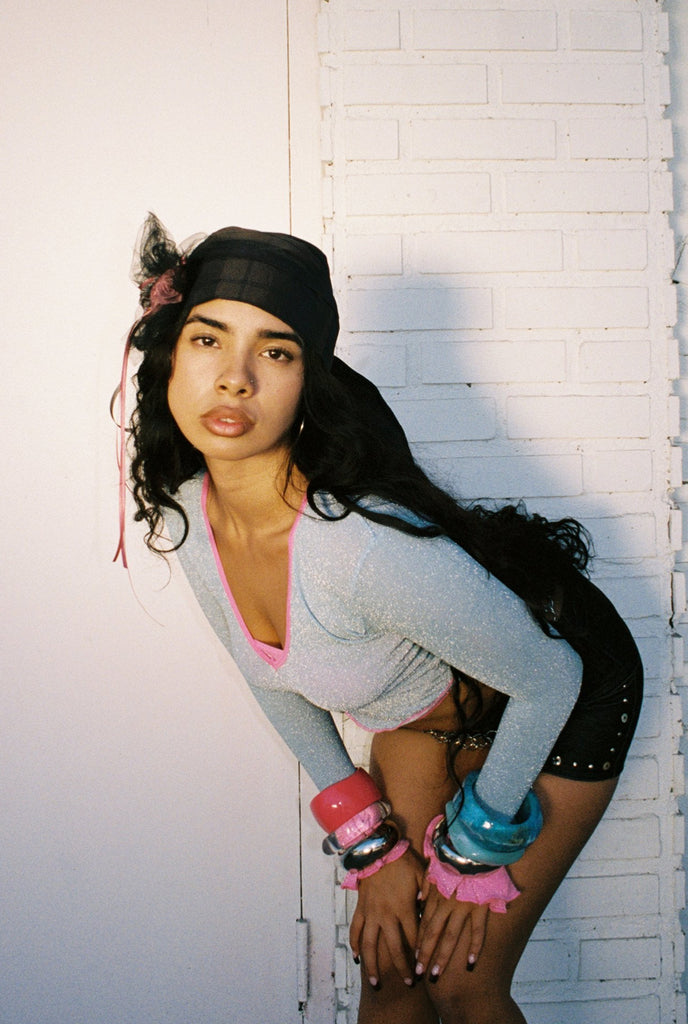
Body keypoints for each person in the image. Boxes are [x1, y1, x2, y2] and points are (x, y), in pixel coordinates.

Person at [115, 214, 643, 1024]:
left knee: (460, 978)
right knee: (392, 971)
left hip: (565, 682)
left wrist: (473, 850)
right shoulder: (192, 514)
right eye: (208, 339)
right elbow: (272, 682)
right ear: (169, 356)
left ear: (309, 383)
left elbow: (549, 677)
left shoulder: (353, 546)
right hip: (427, 709)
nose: (235, 378)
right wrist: (371, 846)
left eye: (276, 352)